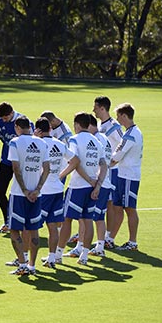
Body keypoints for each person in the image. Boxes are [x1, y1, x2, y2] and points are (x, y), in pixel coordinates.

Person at [56, 112, 107, 265]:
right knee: (88, 220)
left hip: (77, 186)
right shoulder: (96, 141)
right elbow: (103, 165)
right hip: (92, 188)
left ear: (77, 125)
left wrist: (89, 180)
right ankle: (84, 256)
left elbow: (75, 162)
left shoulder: (74, 139)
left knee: (66, 220)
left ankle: (57, 254)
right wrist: (97, 184)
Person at [6, 116, 49, 276]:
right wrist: (37, 189)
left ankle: (22, 264)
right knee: (34, 230)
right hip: (36, 195)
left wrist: (24, 190)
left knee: (15, 230)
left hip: (19, 194)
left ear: (17, 127)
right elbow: (47, 168)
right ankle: (32, 265)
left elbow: (15, 169)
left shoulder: (15, 142)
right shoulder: (42, 143)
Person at [35, 117, 76, 269]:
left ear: (38, 130)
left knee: (31, 227)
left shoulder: (38, 143)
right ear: (50, 129)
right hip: (57, 189)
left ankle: (26, 260)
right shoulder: (59, 144)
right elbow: (75, 160)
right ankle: (52, 258)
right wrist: (61, 175)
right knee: (53, 226)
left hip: (42, 191)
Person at [110, 103, 143, 251]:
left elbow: (118, 154)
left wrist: (104, 166)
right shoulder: (130, 132)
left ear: (124, 116)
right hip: (122, 174)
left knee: (130, 208)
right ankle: (110, 239)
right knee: (118, 207)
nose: (117, 120)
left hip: (129, 176)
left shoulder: (131, 134)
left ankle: (132, 242)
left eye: (118, 116)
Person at [93, 96, 124, 249]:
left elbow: (122, 144)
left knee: (110, 203)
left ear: (102, 108)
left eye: (96, 108)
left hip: (111, 171)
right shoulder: (99, 124)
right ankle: (103, 236)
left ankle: (108, 237)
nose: (94, 110)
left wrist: (113, 161)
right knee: (104, 203)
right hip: (102, 169)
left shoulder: (114, 126)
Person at [0, 102, 28, 233]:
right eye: (2, 118)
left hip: (22, 163)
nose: (3, 120)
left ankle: (25, 221)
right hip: (7, 161)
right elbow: (3, 139)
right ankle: (8, 220)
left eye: (6, 118)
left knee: (22, 192)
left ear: (11, 114)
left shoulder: (24, 122)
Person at [88, 114, 114, 257]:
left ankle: (98, 247)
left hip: (100, 182)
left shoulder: (97, 139)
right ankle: (99, 246)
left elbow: (97, 162)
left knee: (95, 217)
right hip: (105, 182)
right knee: (98, 216)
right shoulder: (104, 138)